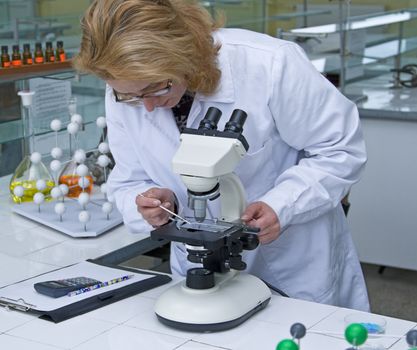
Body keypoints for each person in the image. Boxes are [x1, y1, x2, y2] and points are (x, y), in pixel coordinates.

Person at [74, 0, 370, 311]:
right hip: (196, 264)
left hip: (292, 263)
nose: (145, 106)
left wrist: (282, 205)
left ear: (184, 52)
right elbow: (129, 178)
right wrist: (150, 201)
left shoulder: (268, 64)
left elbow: (340, 149)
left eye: (155, 87)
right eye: (130, 96)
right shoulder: (126, 89)